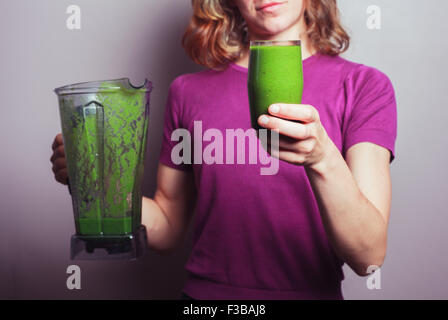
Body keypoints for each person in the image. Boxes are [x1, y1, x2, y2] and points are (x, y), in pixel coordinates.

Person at [50, 0, 397, 300]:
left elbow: (368, 256)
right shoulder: (187, 92)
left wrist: (322, 158)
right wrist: (100, 181)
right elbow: (168, 226)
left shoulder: (365, 87)